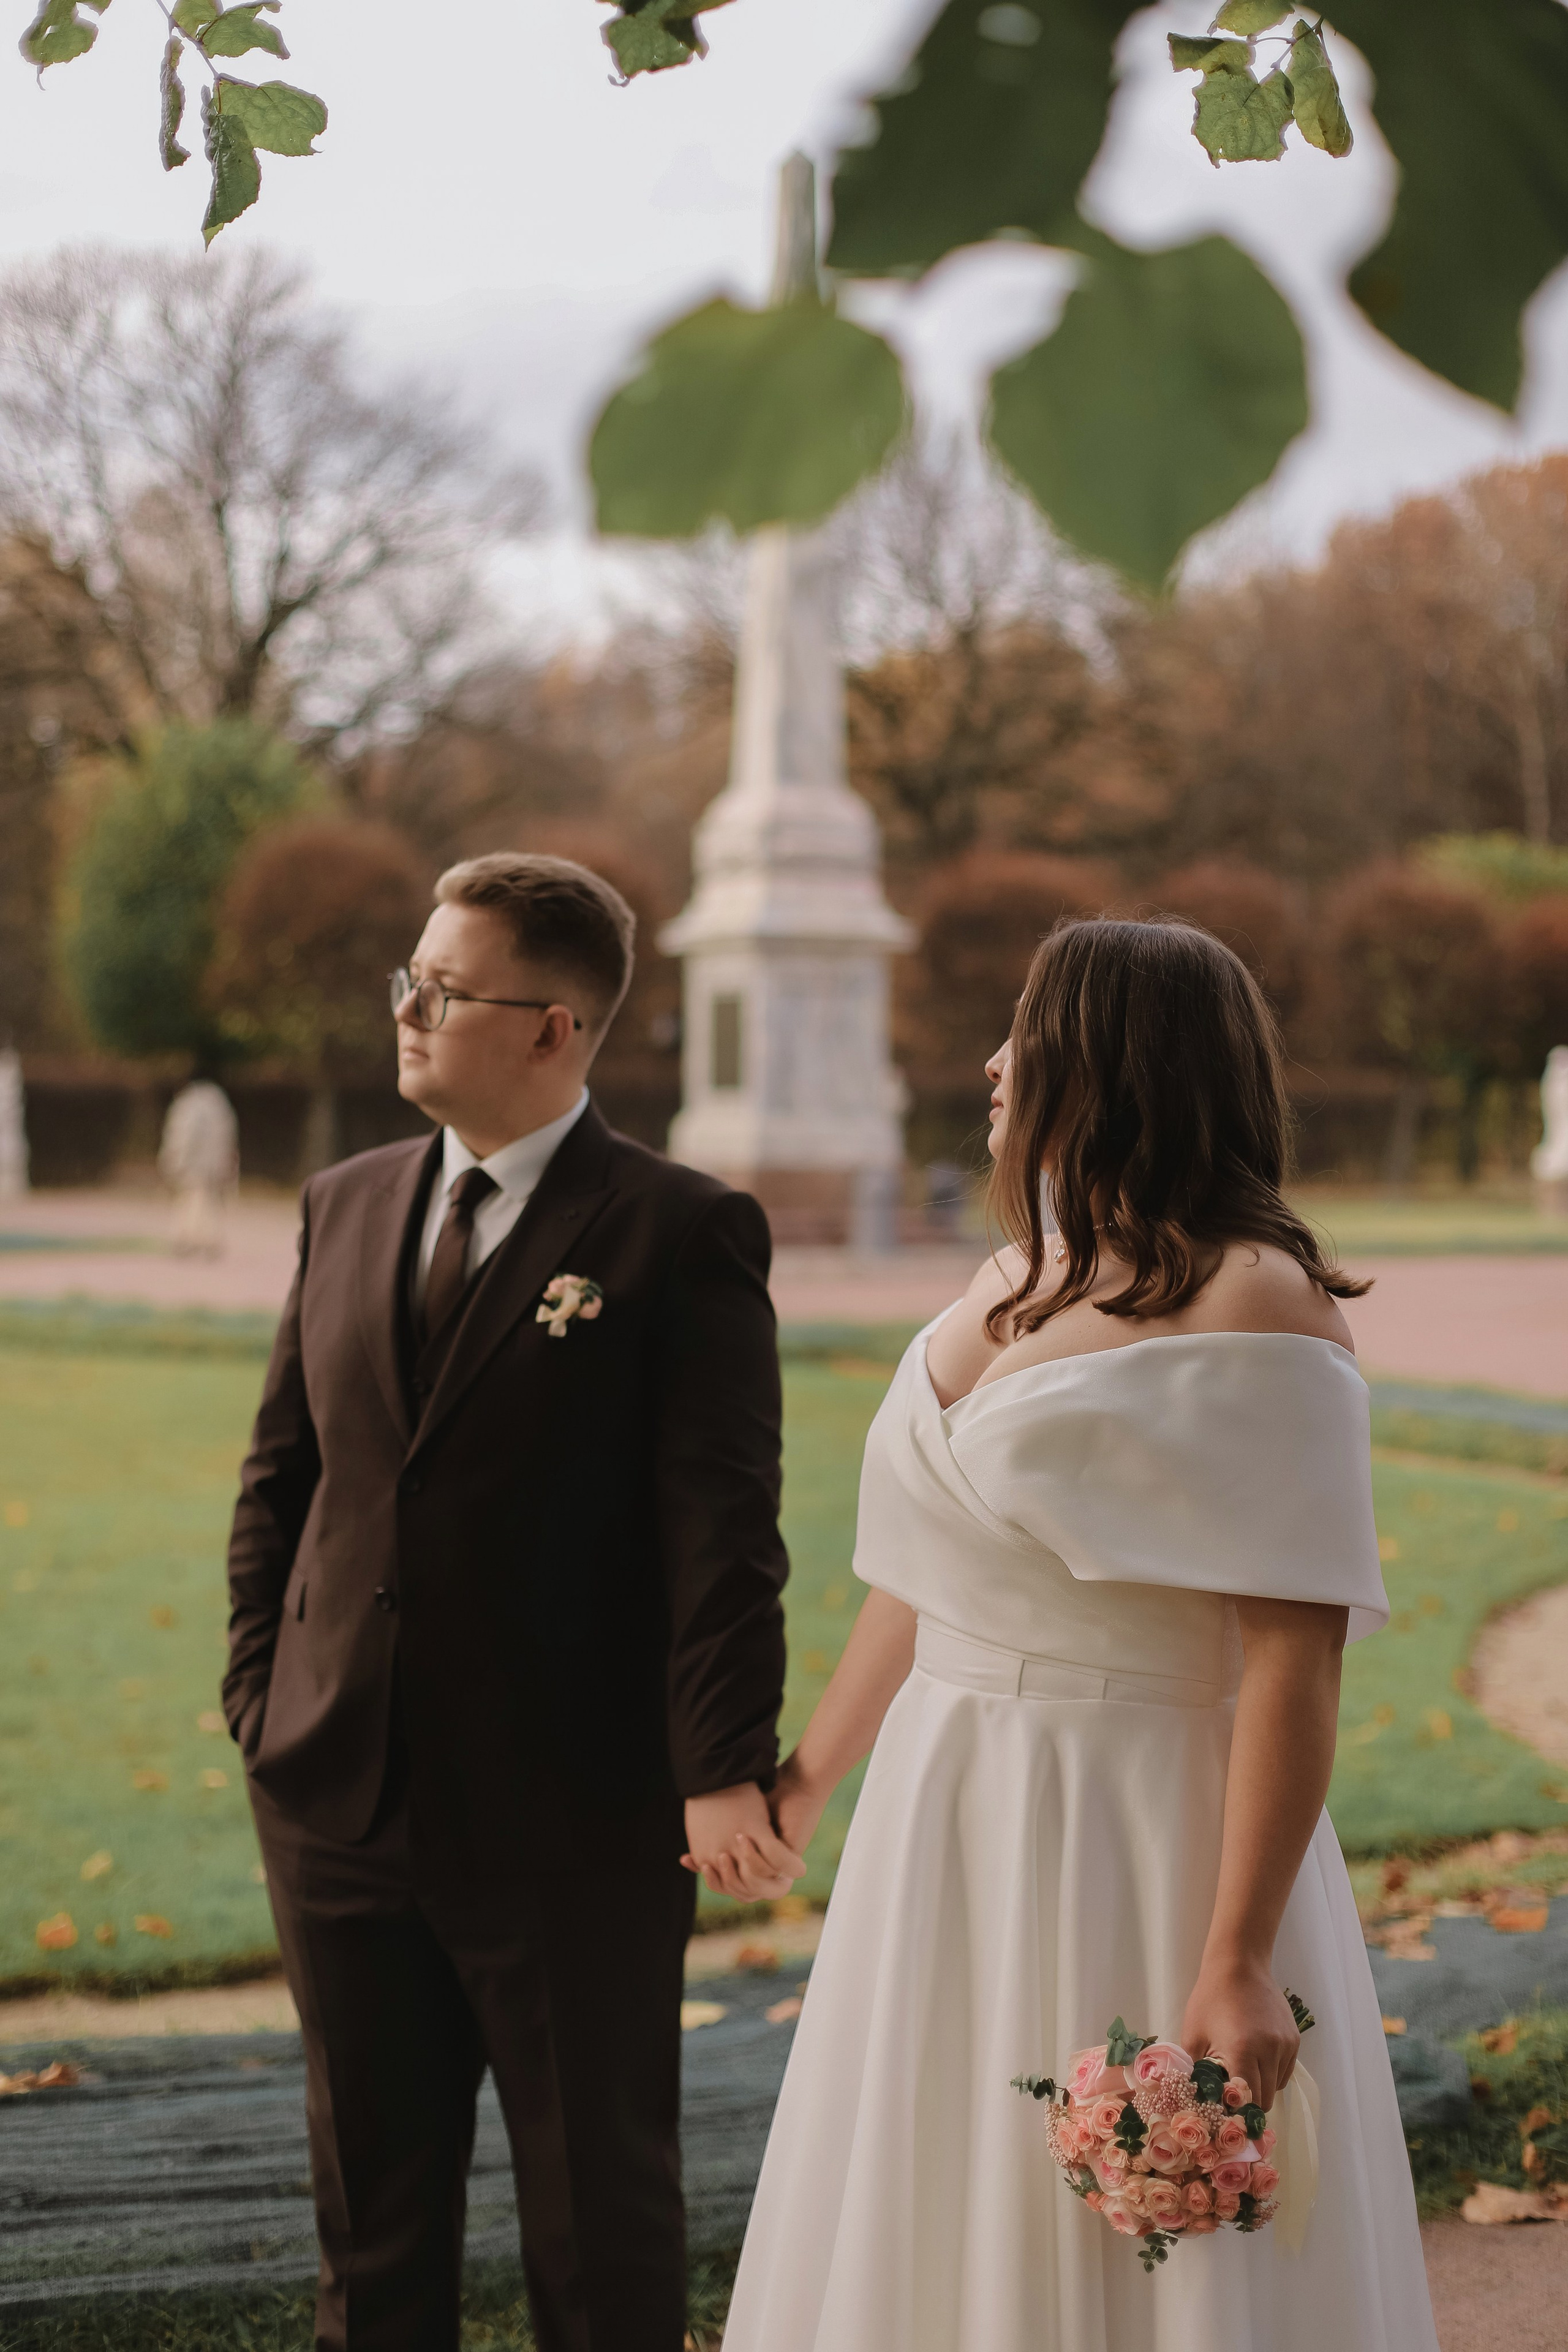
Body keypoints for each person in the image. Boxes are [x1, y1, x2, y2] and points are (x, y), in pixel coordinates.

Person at [719, 918, 1439, 2351]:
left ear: (1111, 1057)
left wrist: (1234, 1951)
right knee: (928, 2193)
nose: (991, 1062)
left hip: (1134, 1815)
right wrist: (806, 1777)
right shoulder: (1016, 1271)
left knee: (1132, 2259)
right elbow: (916, 1579)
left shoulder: (1260, 1300)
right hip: (943, 1803)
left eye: (1024, 1030)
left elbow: (1292, 1662)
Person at [223, 852, 801, 2352]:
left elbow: (722, 1530)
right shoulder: (342, 1204)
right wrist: (261, 1705)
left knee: (597, 2224)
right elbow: (283, 1483)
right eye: (407, 979)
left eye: (444, 987)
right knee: (371, 2229)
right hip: (337, 1800)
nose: (406, 1008)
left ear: (554, 1027)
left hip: (572, 1824)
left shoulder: (681, 1230)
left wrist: (719, 1758)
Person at [159, 1076, 239, 1256]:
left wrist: (174, 1161)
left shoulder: (188, 1105)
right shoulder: (218, 1102)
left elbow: (183, 1138)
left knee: (192, 1201)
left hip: (194, 1164)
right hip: (213, 1164)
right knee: (208, 1202)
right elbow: (227, 1137)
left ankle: (190, 1238)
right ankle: (207, 1239)